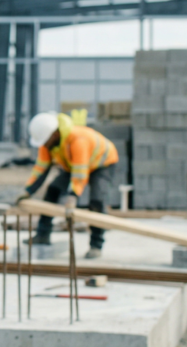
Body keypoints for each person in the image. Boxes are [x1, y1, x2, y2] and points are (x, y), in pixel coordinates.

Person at [16, 111, 119, 259]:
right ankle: (43, 235)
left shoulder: (78, 140)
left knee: (97, 201)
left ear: (55, 134)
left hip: (102, 163)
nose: (44, 144)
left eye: (45, 141)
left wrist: (73, 195)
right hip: (74, 165)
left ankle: (96, 245)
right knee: (52, 190)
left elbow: (80, 172)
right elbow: (41, 169)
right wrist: (27, 191)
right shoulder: (47, 144)